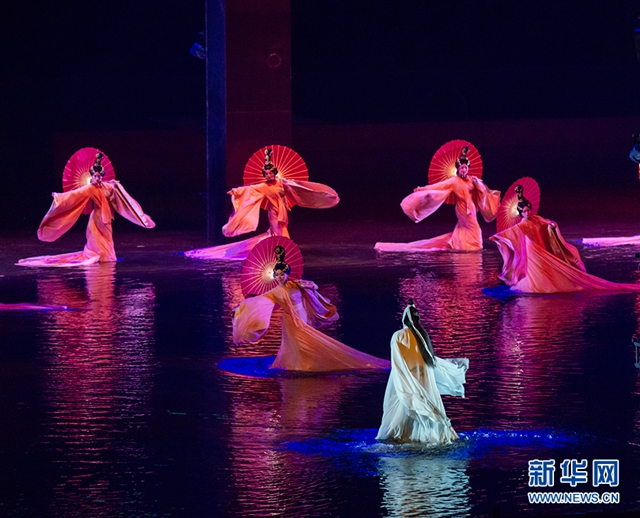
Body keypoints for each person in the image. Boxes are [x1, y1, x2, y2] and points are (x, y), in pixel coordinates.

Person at [232, 250, 390, 371]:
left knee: (305, 339)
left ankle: (309, 363)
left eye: (282, 274)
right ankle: (299, 365)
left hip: (301, 316)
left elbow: (314, 291)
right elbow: (259, 301)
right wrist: (241, 308)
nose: (279, 277)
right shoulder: (275, 291)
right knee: (296, 342)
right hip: (289, 320)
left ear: (287, 274)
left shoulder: (298, 284)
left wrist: (309, 287)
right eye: (277, 275)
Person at [185, 148, 339, 261]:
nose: (269, 175)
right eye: (266, 174)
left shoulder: (282, 182)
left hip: (283, 211)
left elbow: (297, 187)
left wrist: (318, 194)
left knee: (280, 232)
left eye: (271, 173)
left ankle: (276, 251)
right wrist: (236, 192)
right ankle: (282, 253)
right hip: (274, 213)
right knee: (280, 233)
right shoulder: (263, 186)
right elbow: (249, 189)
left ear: (275, 173)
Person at [489, 188, 640, 293]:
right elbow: (508, 235)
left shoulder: (535, 218)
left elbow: (546, 223)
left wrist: (552, 225)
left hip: (541, 249)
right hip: (533, 253)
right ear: (520, 213)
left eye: (529, 210)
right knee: (536, 276)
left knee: (547, 272)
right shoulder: (520, 226)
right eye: (524, 211)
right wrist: (497, 238)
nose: (527, 213)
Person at [17, 152, 155, 267]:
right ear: (91, 177)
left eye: (99, 176)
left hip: (107, 217)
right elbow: (75, 195)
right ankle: (98, 255)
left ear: (102, 176)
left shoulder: (107, 186)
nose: (97, 178)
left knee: (107, 238)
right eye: (95, 176)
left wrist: (117, 186)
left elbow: (119, 197)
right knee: (97, 240)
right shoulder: (90, 188)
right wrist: (59, 197)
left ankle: (105, 256)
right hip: (97, 218)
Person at [376, 300, 468, 445]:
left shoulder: (399, 336)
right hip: (423, 378)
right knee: (422, 401)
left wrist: (402, 378)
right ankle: (432, 434)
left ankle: (408, 436)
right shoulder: (423, 336)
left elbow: (398, 360)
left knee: (407, 403)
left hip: (408, 375)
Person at [375, 147, 500, 252]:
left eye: (466, 167)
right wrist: (422, 189)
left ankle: (460, 245)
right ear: (457, 168)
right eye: (462, 167)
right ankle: (473, 247)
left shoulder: (472, 180)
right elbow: (438, 186)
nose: (464, 169)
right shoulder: (454, 181)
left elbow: (483, 192)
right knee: (475, 229)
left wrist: (478, 184)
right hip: (463, 208)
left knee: (464, 229)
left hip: (471, 207)